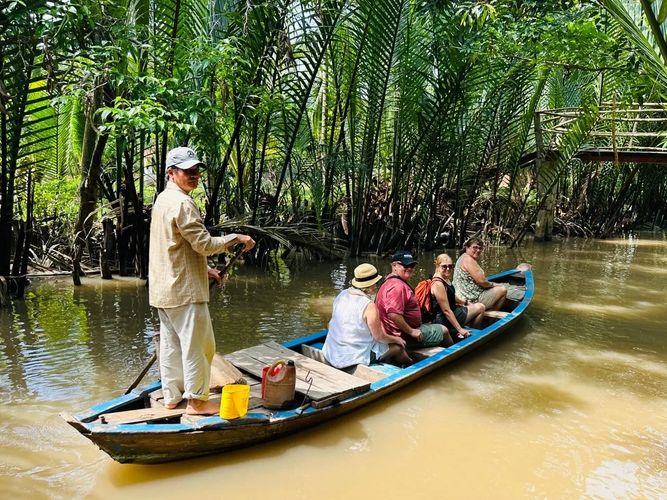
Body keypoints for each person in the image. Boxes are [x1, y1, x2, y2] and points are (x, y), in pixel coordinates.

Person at [149, 146, 255, 415]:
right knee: (200, 346)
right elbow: (204, 243)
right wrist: (236, 239)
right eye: (188, 171)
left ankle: (172, 398)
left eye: (196, 171)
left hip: (164, 289)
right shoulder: (182, 203)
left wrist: (203, 269)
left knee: (171, 347)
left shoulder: (163, 199)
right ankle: (196, 402)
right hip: (184, 293)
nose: (194, 175)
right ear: (171, 173)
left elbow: (175, 246)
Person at [323, 263, 412, 368]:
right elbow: (379, 337)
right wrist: (397, 339)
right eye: (375, 283)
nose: (376, 286)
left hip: (331, 352)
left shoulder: (342, 295)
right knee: (398, 348)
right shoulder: (369, 306)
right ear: (370, 285)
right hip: (352, 358)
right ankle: (410, 366)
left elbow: (330, 325)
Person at [376, 250, 453, 348]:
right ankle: (455, 357)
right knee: (444, 330)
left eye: (412, 266)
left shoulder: (389, 280)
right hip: (403, 335)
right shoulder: (397, 286)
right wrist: (411, 331)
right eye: (405, 265)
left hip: (397, 331)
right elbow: (393, 314)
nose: (409, 268)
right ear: (394, 266)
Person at [430, 253, 486, 341]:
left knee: (475, 306)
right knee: (481, 307)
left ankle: (468, 330)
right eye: (444, 266)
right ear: (437, 265)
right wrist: (460, 329)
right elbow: (446, 311)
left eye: (450, 266)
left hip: (454, 311)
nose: (448, 269)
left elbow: (451, 295)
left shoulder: (444, 277)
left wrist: (466, 303)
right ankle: (470, 334)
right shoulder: (438, 284)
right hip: (445, 320)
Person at [452, 238, 506, 311]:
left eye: (480, 248)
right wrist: (493, 285)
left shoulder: (462, 257)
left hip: (460, 296)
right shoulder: (468, 260)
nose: (478, 250)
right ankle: (490, 319)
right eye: (475, 247)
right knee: (503, 290)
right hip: (470, 299)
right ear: (467, 248)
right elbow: (482, 282)